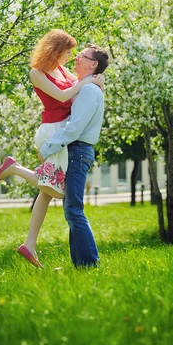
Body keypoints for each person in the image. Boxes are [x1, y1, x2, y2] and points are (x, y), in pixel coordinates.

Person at [0, 30, 104, 268]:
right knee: (57, 190)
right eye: (67, 52)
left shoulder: (64, 71)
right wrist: (87, 81)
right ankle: (16, 169)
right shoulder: (37, 73)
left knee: (48, 189)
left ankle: (29, 244)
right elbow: (64, 95)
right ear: (55, 50)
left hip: (65, 131)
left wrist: (96, 81)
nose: (71, 57)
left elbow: (82, 93)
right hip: (54, 131)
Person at [37, 43, 109, 268]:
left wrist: (49, 146)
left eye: (82, 56)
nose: (77, 58)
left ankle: (90, 263)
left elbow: (75, 127)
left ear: (93, 64)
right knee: (71, 210)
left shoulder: (88, 90)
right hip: (75, 150)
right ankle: (80, 264)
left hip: (77, 150)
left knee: (74, 210)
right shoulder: (85, 86)